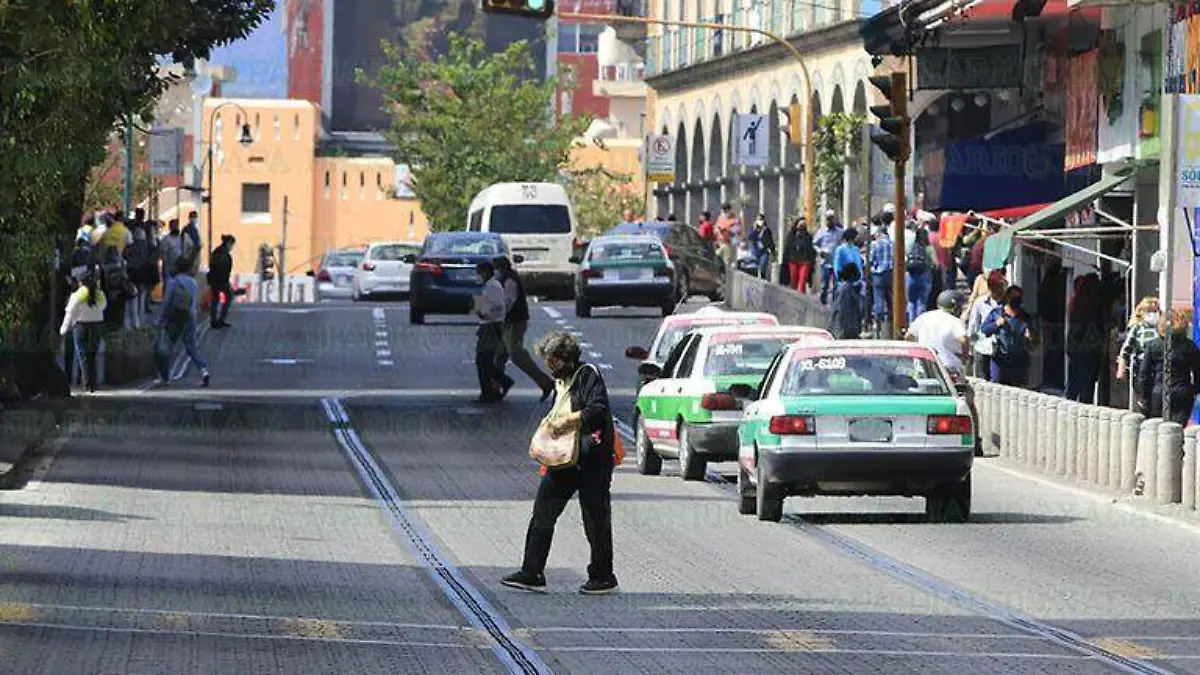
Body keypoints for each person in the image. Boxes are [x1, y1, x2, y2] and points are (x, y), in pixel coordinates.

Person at [502, 331, 617, 595]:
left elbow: (597, 410)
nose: (548, 367)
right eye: (547, 361)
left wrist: (567, 421)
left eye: (552, 361)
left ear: (566, 358)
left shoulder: (588, 375)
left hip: (591, 461)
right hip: (562, 459)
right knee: (543, 512)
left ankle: (602, 576)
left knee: (595, 519)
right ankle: (532, 571)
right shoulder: (560, 383)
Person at [494, 256, 554, 402]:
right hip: (510, 321)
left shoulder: (509, 280)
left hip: (514, 322)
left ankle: (546, 383)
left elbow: (508, 302)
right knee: (498, 355)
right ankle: (495, 388)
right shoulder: (507, 278)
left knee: (516, 354)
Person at [154, 256, 211, 387]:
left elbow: (167, 302)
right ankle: (204, 371)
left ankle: (166, 377)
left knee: (166, 347)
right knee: (191, 347)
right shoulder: (193, 282)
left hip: (174, 317)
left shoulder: (173, 282)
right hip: (190, 316)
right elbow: (195, 301)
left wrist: (160, 319)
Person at [1137, 309, 1200, 424]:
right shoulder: (1189, 346)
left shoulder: (1153, 345)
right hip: (1182, 392)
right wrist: (1195, 390)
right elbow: (1198, 371)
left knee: (1158, 429)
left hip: (1159, 392)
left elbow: (1144, 374)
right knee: (1177, 429)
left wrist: (1143, 396)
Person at [60, 268, 107, 394]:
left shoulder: (77, 295)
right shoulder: (99, 293)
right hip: (97, 326)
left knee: (83, 356)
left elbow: (69, 312)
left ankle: (87, 385)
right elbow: (103, 306)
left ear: (80, 282)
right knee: (92, 355)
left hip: (81, 327)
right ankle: (93, 384)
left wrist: (64, 328)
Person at [474, 260, 511, 403]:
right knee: (484, 361)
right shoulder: (488, 286)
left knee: (483, 359)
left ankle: (491, 390)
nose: (478, 275)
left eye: (479, 272)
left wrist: (485, 313)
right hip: (486, 324)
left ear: (486, 272)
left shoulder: (493, 286)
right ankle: (490, 390)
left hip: (492, 325)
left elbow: (499, 305)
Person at [1065, 273, 1105, 404]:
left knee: (1074, 382)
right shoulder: (1095, 303)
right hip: (1090, 348)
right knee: (1087, 385)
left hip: (1077, 347)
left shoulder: (1076, 302)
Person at [981, 286, 1032, 386]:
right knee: (997, 387)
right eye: (1013, 299)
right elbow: (984, 330)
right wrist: (996, 324)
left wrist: (1029, 336)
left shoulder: (1025, 316)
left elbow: (1034, 342)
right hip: (1000, 359)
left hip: (1018, 361)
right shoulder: (997, 313)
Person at [1116, 296, 1160, 408]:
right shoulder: (1137, 329)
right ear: (1142, 312)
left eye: (1155, 311)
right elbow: (1126, 350)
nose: (1153, 314)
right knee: (1145, 401)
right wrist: (1121, 369)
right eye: (1149, 311)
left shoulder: (1160, 329)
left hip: (1157, 369)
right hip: (1140, 369)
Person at [965, 270, 1007, 378]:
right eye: (996, 289)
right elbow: (973, 325)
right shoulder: (980, 302)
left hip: (1003, 348)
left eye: (1001, 288)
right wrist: (971, 346)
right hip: (983, 345)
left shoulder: (1007, 304)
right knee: (982, 377)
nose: (999, 292)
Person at [867, 223, 894, 337]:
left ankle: (878, 323)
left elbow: (871, 259)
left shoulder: (875, 245)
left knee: (879, 298)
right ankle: (892, 321)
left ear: (879, 233)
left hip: (878, 274)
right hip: (890, 273)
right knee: (890, 298)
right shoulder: (892, 244)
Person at [905, 227, 935, 322]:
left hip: (910, 275)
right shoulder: (929, 248)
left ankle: (911, 323)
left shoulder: (910, 246)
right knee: (922, 302)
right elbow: (936, 263)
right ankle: (920, 323)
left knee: (911, 301)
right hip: (924, 274)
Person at [814, 210, 844, 304]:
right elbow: (814, 244)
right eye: (828, 219)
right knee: (824, 285)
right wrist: (820, 251)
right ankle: (823, 303)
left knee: (836, 285)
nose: (830, 221)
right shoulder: (821, 232)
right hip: (825, 262)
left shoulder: (840, 232)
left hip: (836, 262)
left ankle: (834, 304)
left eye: (831, 219)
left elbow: (844, 242)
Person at [207, 234, 236, 329]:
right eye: (231, 244)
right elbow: (222, 270)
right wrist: (225, 283)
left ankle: (215, 320)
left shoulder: (217, 251)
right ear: (228, 243)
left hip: (215, 281)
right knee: (224, 299)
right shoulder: (223, 254)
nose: (232, 247)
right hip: (220, 282)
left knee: (218, 300)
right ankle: (219, 320)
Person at [829, 264, 864, 339]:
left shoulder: (843, 288)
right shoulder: (847, 290)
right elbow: (845, 312)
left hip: (842, 330)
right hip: (846, 331)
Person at [782, 217, 816, 293]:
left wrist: (812, 262)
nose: (801, 227)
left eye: (803, 225)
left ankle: (801, 297)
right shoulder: (791, 236)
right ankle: (793, 296)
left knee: (802, 280)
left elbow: (811, 250)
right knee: (794, 279)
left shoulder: (808, 237)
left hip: (805, 262)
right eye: (800, 224)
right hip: (793, 261)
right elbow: (787, 249)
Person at [747, 213, 776, 279]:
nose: (760, 221)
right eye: (759, 220)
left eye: (761, 219)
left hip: (764, 251)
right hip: (754, 251)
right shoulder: (752, 228)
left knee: (763, 266)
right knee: (754, 268)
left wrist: (772, 249)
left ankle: (763, 278)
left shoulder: (767, 230)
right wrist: (755, 230)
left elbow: (770, 241)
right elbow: (750, 237)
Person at [714, 203, 740, 268]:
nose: (725, 212)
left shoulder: (735, 219)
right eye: (723, 211)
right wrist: (718, 230)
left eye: (726, 211)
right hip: (719, 242)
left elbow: (736, 230)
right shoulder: (720, 217)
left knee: (726, 259)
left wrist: (727, 229)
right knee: (718, 258)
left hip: (728, 243)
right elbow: (716, 228)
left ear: (730, 210)